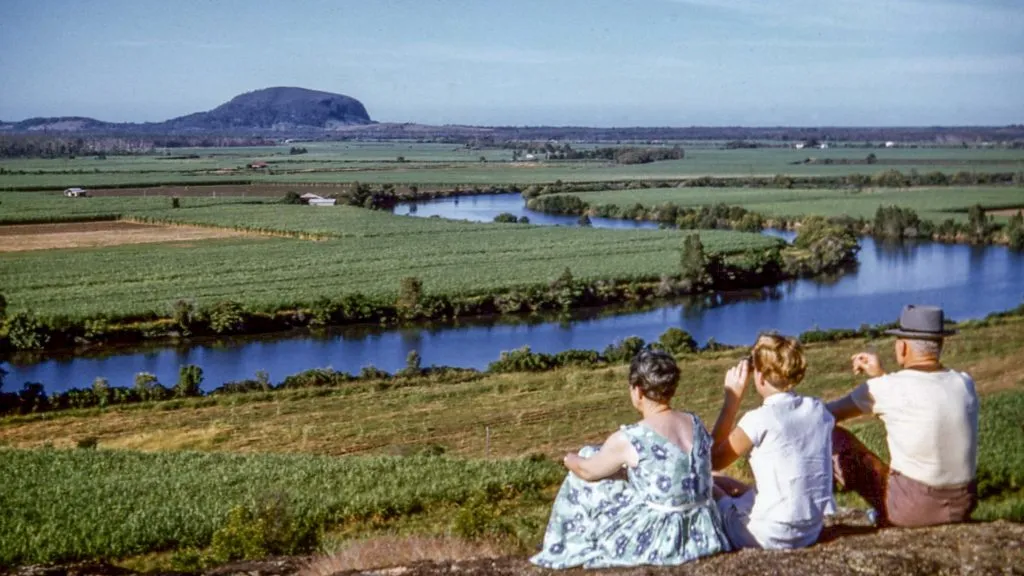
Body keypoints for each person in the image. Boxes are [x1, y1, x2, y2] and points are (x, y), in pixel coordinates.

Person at [530, 349, 730, 569]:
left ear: (639, 390)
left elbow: (588, 471)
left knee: (585, 459)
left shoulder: (632, 437)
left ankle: (565, 542)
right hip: (705, 531)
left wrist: (570, 459)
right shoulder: (694, 422)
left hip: (662, 538)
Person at [826, 305, 978, 527]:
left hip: (911, 511)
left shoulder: (886, 389)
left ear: (903, 347)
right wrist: (881, 376)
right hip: (963, 504)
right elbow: (918, 398)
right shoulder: (965, 382)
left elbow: (823, 417)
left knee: (833, 437)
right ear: (941, 343)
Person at [710, 333, 836, 549]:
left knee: (707, 480)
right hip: (810, 531)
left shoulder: (759, 419)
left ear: (760, 376)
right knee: (727, 482)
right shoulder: (818, 409)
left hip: (767, 537)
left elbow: (711, 460)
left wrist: (732, 400)